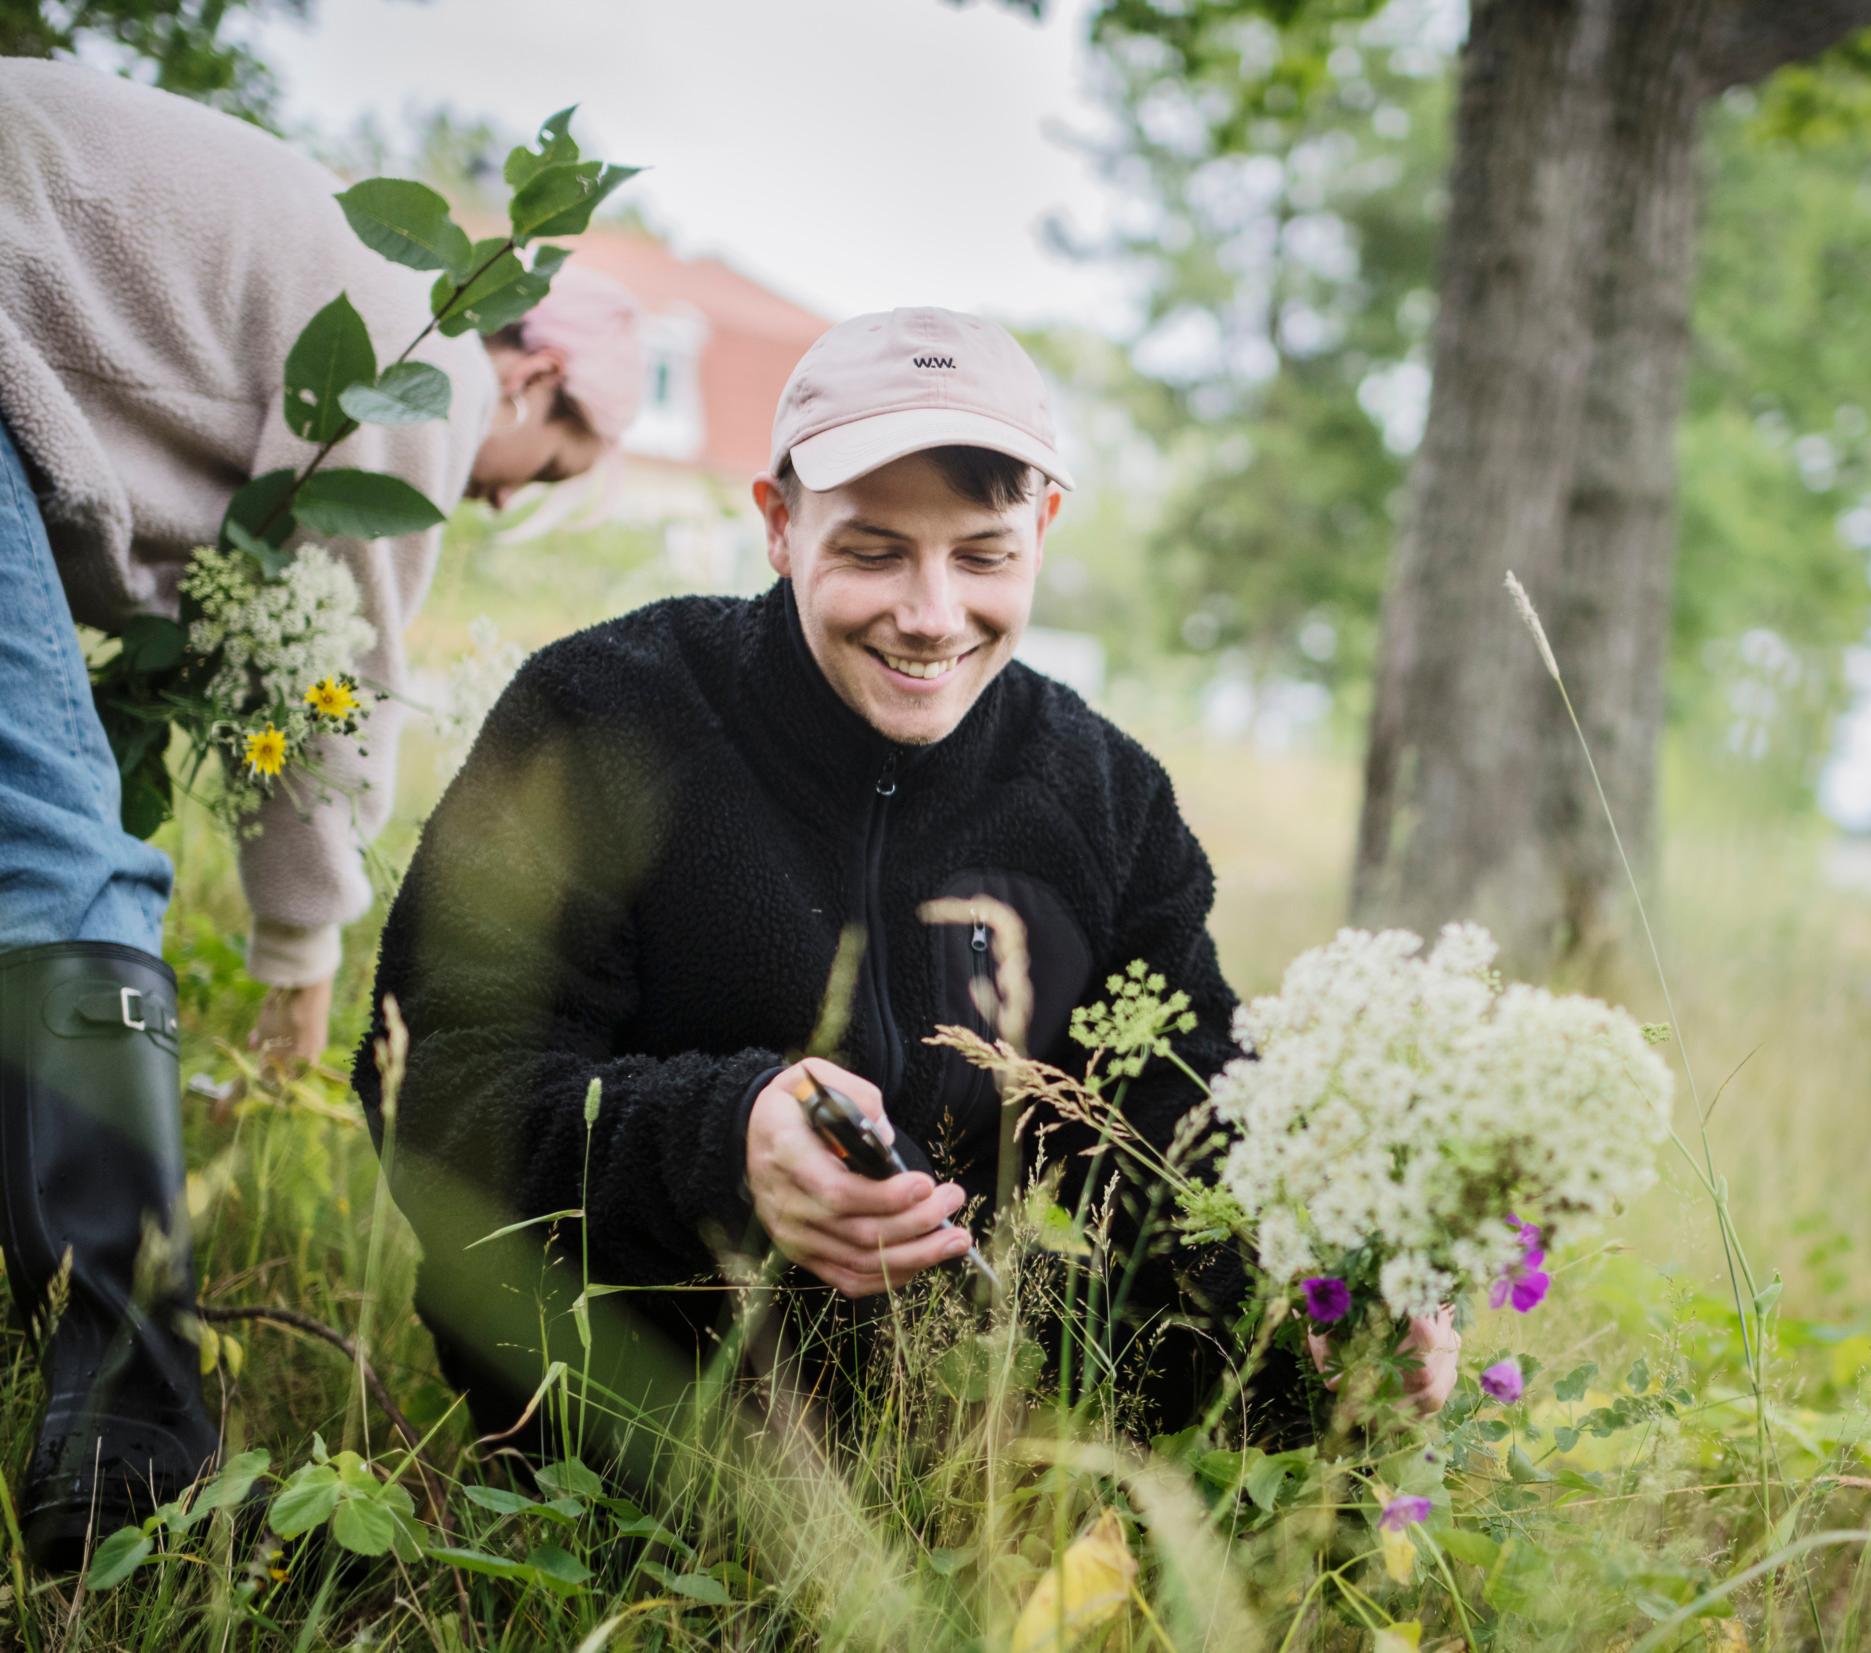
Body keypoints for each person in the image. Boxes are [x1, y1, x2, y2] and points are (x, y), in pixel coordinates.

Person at [355, 308, 1458, 1482]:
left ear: (1042, 526)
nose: (930, 616)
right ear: (777, 525)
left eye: (982, 555)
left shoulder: (1107, 797)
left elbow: (1183, 1146)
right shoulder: (599, 714)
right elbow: (434, 1080)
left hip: (981, 1478)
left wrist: (1332, 1310)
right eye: (873, 551)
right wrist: (724, 1144)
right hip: (621, 1455)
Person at [0, 59, 644, 1570]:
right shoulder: (421, 379)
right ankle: (133, 1450)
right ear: (534, 379)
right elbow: (326, 692)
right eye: (543, 472)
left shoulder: (321, 253)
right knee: (63, 853)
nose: (499, 504)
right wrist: (301, 958)